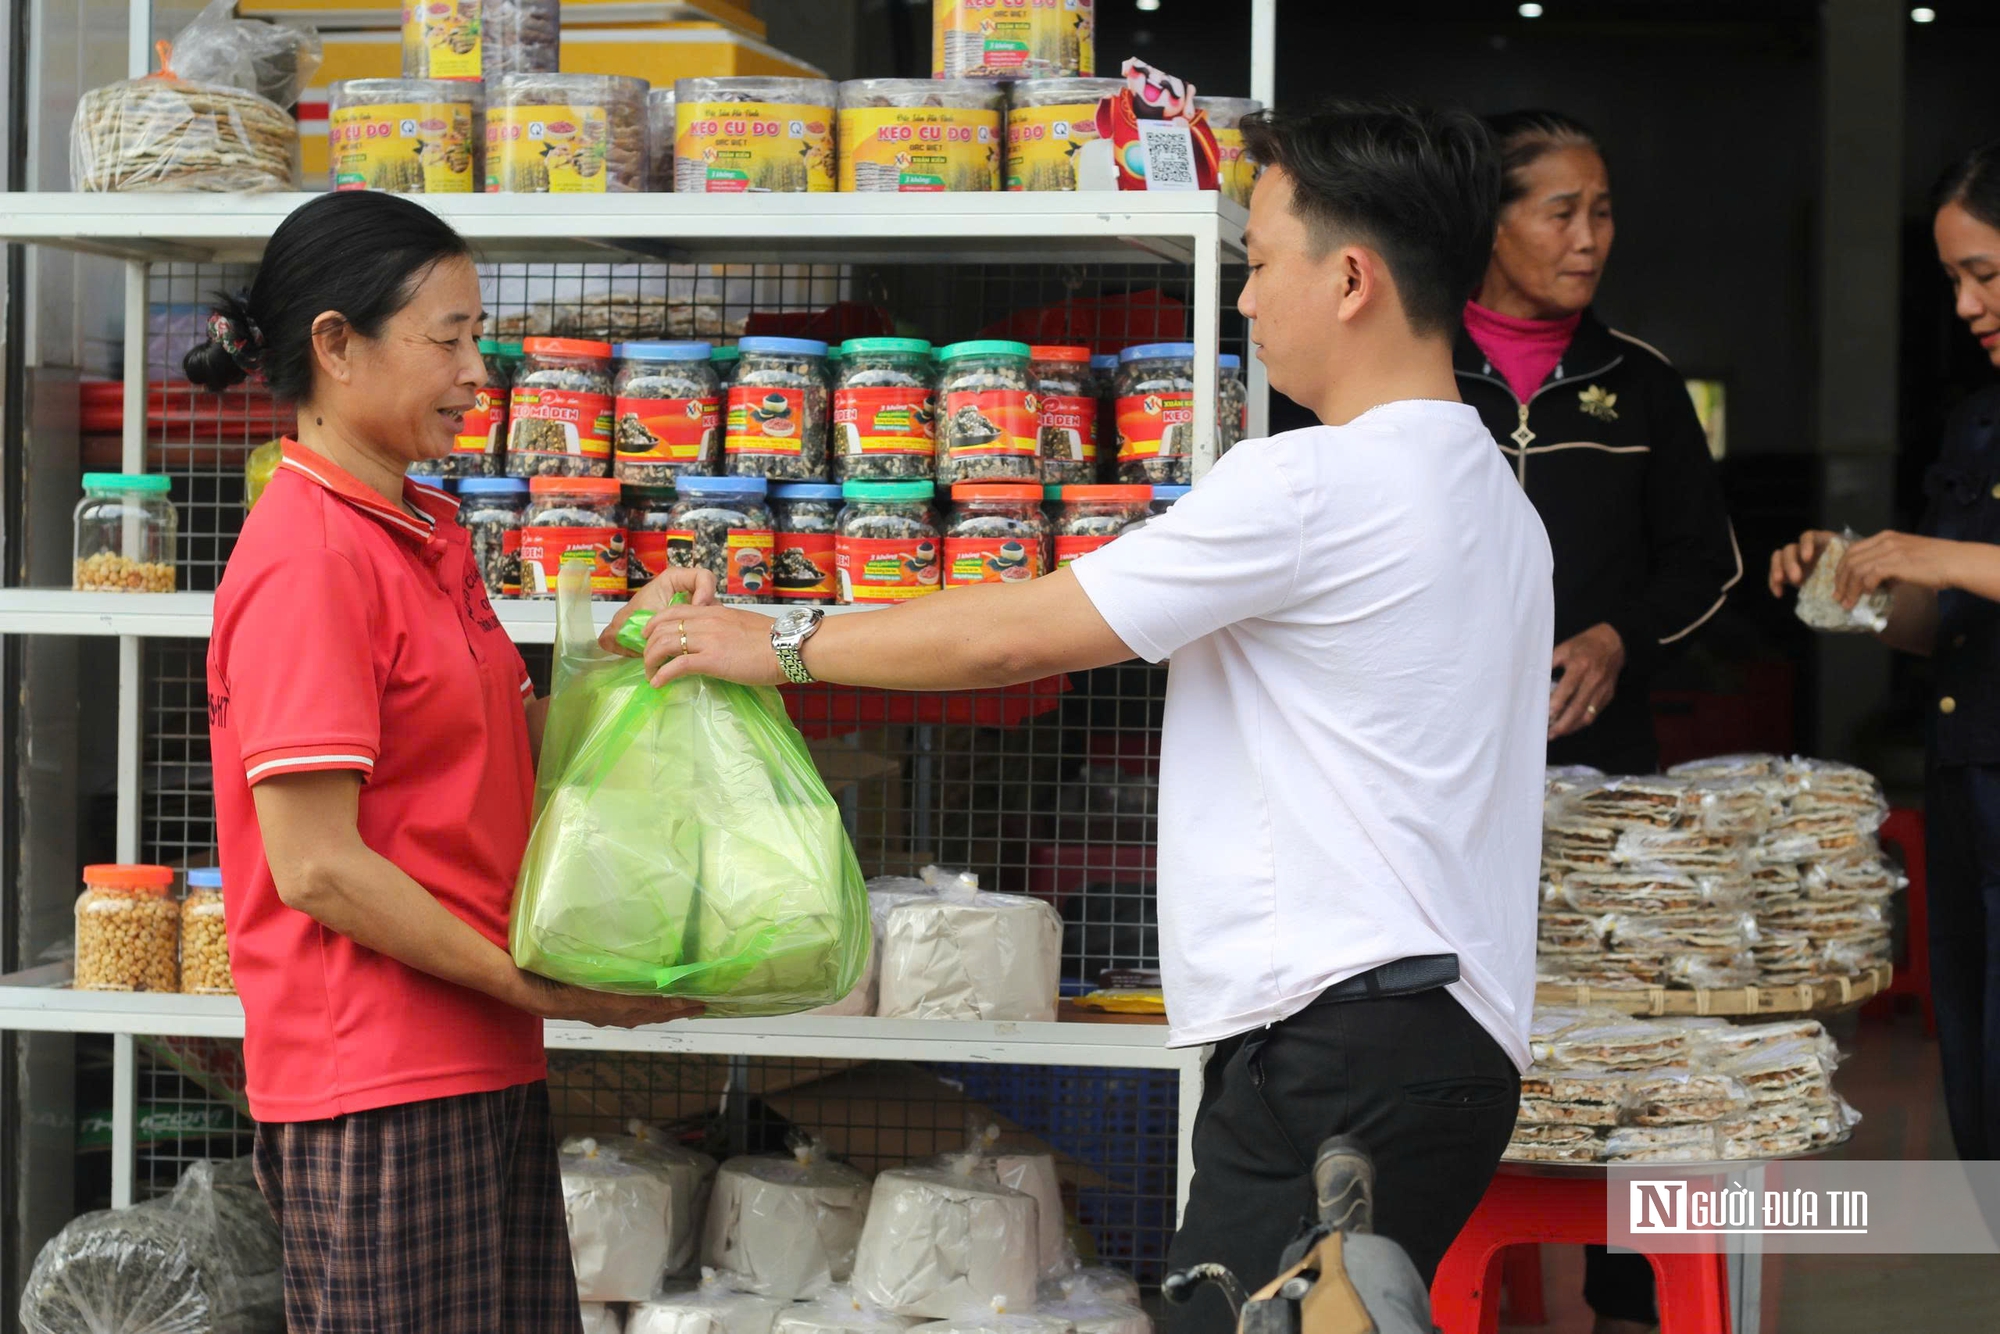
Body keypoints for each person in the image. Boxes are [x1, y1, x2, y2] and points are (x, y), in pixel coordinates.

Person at [611, 100, 1553, 1330]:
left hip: (1337, 1044)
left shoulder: (1312, 481)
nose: (1248, 301)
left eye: (1261, 263)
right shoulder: (1496, 497)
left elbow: (1018, 632)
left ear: (1353, 279)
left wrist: (775, 637)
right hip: (1453, 1047)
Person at [191, 191, 704, 1332]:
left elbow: (489, 758)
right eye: (449, 337)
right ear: (335, 343)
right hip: (375, 1074)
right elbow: (317, 865)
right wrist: (539, 987)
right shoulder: (313, 559)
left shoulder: (419, 532)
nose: (480, 371)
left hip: (474, 1051)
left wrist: (627, 650)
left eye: (481, 336)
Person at [1771, 140, 2000, 1173]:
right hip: (1968, 783)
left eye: (1981, 274)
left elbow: (1956, 565)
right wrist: (1854, 585)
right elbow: (1935, 620)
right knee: (1978, 1070)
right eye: (1951, 279)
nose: (1961, 306)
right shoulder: (1975, 423)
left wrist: (1931, 553)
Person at [1457, 110, 1741, 777]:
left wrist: (1620, 640)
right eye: (1562, 214)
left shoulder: (1643, 384)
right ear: (1493, 225)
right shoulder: (1415, 367)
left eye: (1602, 214)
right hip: (1433, 755)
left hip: (1598, 760)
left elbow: (1705, 565)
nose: (1588, 240)